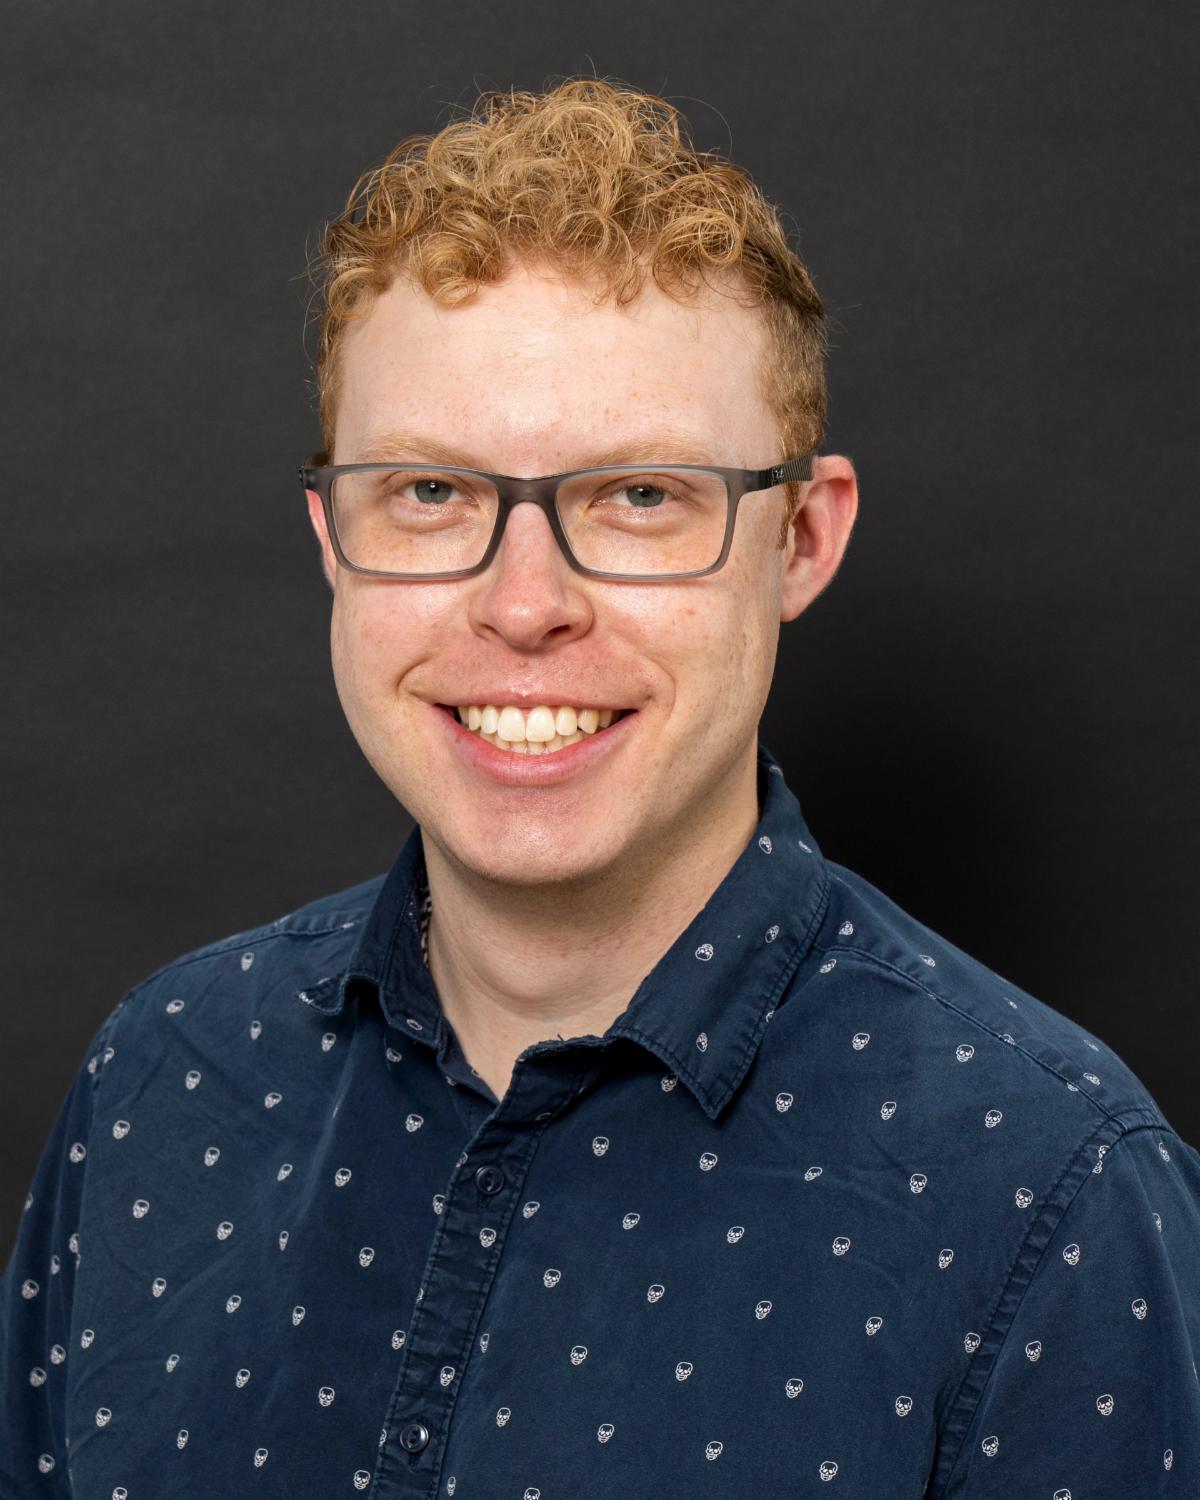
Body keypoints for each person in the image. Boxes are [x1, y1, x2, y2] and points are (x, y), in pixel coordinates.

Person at [2, 78, 1197, 1500]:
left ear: (801, 541)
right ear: (330, 538)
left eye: (639, 496)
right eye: (431, 494)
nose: (524, 607)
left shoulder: (1060, 1196)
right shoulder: (162, 1074)